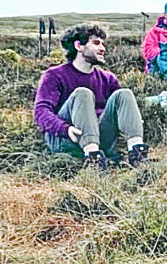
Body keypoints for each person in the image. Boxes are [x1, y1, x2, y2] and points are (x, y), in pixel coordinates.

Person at [35, 23, 149, 169]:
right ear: (78, 46)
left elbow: (118, 110)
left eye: (102, 44)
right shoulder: (54, 75)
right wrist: (65, 129)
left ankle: (137, 153)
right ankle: (93, 159)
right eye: (96, 43)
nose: (103, 48)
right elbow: (41, 112)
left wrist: (131, 119)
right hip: (66, 139)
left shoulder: (107, 78)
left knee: (124, 94)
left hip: (99, 137)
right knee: (83, 93)